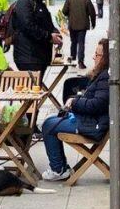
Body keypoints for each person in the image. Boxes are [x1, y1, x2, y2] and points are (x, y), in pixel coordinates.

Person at [41, 39, 110, 181]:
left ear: (105, 58)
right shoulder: (102, 75)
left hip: (92, 125)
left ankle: (58, 169)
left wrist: (75, 102)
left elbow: (96, 105)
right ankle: (60, 167)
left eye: (97, 55)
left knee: (48, 126)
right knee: (50, 121)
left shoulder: (105, 77)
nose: (93, 57)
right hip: (89, 120)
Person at [12, 0, 62, 74]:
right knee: (33, 88)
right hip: (29, 57)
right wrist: (49, 36)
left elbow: (47, 24)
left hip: (39, 56)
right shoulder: (24, 2)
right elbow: (28, 26)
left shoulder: (38, 3)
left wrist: (55, 34)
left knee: (37, 87)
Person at [61, 0, 97, 68]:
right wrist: (93, 23)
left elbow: (64, 11)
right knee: (81, 43)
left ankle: (73, 60)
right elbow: (92, 12)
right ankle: (80, 62)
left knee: (73, 42)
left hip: (72, 25)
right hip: (82, 25)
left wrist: (70, 15)